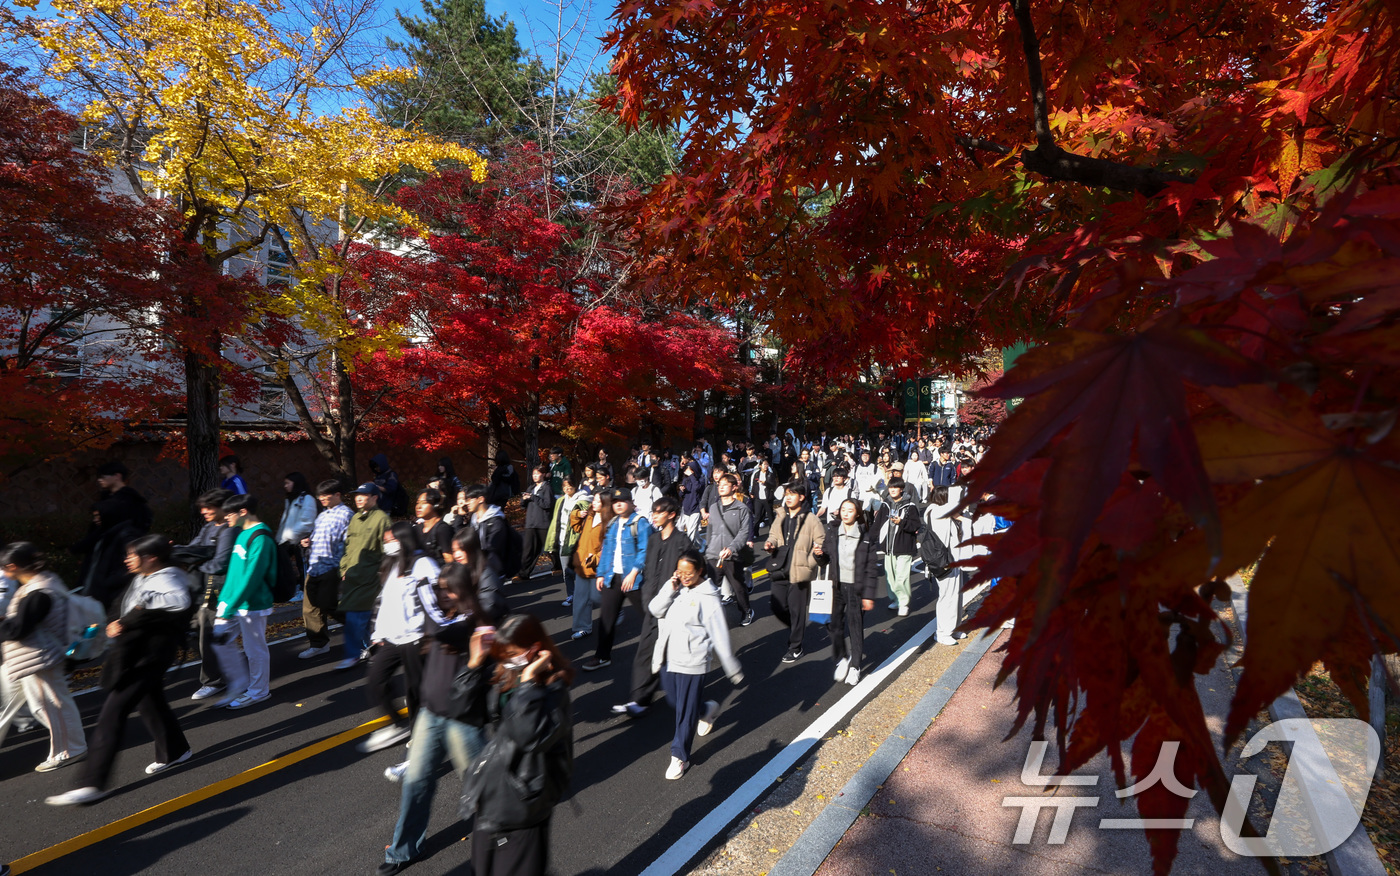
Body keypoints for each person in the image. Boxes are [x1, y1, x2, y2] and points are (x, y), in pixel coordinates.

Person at [46, 535, 195, 806]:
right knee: (151, 702)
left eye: (132, 555)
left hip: (147, 656)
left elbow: (179, 600)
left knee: (112, 714)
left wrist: (133, 615)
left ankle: (93, 783)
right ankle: (175, 750)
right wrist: (116, 621)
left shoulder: (166, 577)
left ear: (150, 558)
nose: (127, 559)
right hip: (136, 653)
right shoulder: (144, 576)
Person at [378, 564, 488, 875]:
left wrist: (420, 586)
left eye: (447, 589)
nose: (441, 594)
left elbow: (439, 628)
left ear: (463, 592)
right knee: (415, 782)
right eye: (439, 588)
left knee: (480, 787)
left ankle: (505, 836)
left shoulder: (474, 623)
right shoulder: (445, 617)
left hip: (463, 719)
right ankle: (403, 851)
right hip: (430, 714)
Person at [456, 614, 574, 876]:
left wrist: (530, 681)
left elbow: (528, 736)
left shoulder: (555, 688)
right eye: (502, 654)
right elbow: (461, 710)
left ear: (535, 648)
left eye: (512, 653)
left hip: (526, 798)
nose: (507, 660)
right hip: (494, 793)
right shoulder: (505, 674)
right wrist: (474, 664)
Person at [648, 549, 743, 780]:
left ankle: (679, 756)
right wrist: (669, 588)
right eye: (680, 572)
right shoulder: (676, 588)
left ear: (700, 571)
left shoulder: (709, 598)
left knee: (684, 712)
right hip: (670, 657)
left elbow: (719, 635)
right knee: (674, 700)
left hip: (694, 661)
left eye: (688, 572)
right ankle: (706, 709)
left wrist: (732, 668)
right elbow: (655, 610)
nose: (683, 576)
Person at [0, 542, 87, 771]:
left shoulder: (37, 591)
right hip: (38, 655)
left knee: (49, 706)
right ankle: (71, 747)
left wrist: (4, 624)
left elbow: (19, 629)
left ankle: (69, 750)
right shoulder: (44, 581)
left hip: (39, 657)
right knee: (48, 704)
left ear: (12, 565)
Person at [361, 523, 440, 754]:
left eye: (390, 539)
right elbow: (383, 604)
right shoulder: (392, 565)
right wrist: (378, 634)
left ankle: (420, 740)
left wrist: (429, 634)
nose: (386, 544)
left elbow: (435, 601)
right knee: (376, 680)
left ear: (403, 539)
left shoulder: (423, 564)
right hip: (391, 639)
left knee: (415, 691)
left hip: (416, 638)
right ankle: (397, 724)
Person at [611, 496, 692, 718]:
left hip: (674, 609)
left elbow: (693, 571)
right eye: (653, 512)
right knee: (645, 652)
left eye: (658, 512)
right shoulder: (654, 540)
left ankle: (695, 702)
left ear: (671, 515)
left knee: (673, 658)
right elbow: (648, 570)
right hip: (653, 606)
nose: (654, 515)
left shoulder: (682, 541)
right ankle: (640, 700)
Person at [214, 494, 276, 709]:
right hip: (235, 602)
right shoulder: (242, 534)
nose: (225, 518)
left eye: (229, 514)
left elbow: (252, 576)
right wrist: (225, 601)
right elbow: (235, 573)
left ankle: (259, 691)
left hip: (254, 603)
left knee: (254, 649)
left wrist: (230, 604)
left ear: (243, 512)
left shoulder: (261, 537)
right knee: (218, 637)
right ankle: (240, 683)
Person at [581, 488, 652, 671]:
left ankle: (663, 652)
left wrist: (634, 572)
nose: (618, 504)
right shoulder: (613, 523)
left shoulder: (640, 523)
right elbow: (607, 551)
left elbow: (645, 550)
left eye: (622, 501)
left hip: (634, 580)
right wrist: (601, 574)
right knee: (606, 619)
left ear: (631, 503)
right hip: (613, 578)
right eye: (615, 502)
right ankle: (602, 656)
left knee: (649, 617)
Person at [813, 499, 880, 685]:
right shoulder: (833, 531)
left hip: (855, 588)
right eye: (843, 509)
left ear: (857, 514)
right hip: (836, 586)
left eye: (850, 510)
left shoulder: (865, 535)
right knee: (832, 624)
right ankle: (842, 657)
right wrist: (818, 554)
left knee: (855, 627)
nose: (846, 513)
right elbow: (825, 558)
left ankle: (855, 666)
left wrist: (868, 594)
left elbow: (871, 568)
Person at [180, 488, 237, 698]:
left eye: (209, 507)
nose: (204, 511)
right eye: (202, 507)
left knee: (208, 635)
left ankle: (215, 681)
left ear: (223, 507)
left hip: (217, 592)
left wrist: (199, 560)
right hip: (200, 591)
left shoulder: (230, 530)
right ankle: (223, 673)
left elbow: (220, 564)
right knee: (196, 632)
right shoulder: (208, 528)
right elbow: (191, 550)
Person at [765, 481, 825, 663]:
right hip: (780, 567)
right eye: (787, 494)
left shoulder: (811, 519)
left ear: (801, 497)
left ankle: (795, 647)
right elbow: (773, 535)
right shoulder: (781, 515)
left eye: (792, 494)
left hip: (800, 571)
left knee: (797, 610)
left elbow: (821, 542)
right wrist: (771, 544)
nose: (788, 497)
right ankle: (796, 628)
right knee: (777, 605)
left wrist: (810, 562)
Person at [298, 479, 352, 660]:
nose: (320, 498)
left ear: (337, 495)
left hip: (332, 567)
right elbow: (316, 538)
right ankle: (319, 644)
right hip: (314, 566)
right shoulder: (322, 515)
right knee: (309, 608)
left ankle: (361, 627)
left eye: (325, 495)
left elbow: (350, 543)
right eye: (319, 495)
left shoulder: (346, 515)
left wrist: (344, 567)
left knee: (329, 605)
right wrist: (307, 542)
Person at [339, 483, 391, 671]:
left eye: (364, 495)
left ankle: (353, 654)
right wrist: (344, 568)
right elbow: (347, 547)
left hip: (370, 576)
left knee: (357, 616)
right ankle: (372, 649)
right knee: (363, 616)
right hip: (352, 575)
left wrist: (382, 574)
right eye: (357, 495)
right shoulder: (354, 518)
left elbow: (387, 550)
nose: (359, 498)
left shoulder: (382, 519)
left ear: (375, 498)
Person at [704, 473, 755, 626]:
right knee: (710, 589)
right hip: (714, 555)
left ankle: (747, 611)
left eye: (725, 485)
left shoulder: (742, 509)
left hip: (733, 556)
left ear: (734, 487)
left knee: (738, 588)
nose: (721, 487)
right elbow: (710, 530)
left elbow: (743, 533)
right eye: (719, 485)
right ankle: (709, 618)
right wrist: (708, 549)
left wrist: (732, 549)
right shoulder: (713, 507)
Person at [924, 485, 971, 646]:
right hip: (943, 562)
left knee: (956, 595)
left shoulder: (944, 512)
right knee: (947, 597)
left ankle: (955, 628)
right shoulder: (935, 511)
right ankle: (943, 632)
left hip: (952, 560)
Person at [568, 491, 611, 641]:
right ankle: (582, 627)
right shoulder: (589, 516)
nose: (594, 503)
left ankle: (615, 608)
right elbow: (576, 528)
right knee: (580, 598)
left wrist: (597, 558)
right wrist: (577, 515)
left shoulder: (609, 521)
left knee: (597, 597)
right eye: (594, 500)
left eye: (598, 501)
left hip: (597, 566)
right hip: (582, 563)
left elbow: (609, 546)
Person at [880, 476, 921, 616]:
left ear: (901, 489)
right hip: (888, 547)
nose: (892, 490)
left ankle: (903, 603)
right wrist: (870, 541)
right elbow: (877, 525)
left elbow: (916, 525)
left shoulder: (910, 506)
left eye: (895, 487)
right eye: (890, 487)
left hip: (904, 547)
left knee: (901, 577)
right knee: (890, 577)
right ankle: (896, 599)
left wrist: (902, 522)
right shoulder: (885, 505)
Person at [544, 475, 587, 607]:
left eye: (570, 486)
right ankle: (571, 595)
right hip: (563, 539)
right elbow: (555, 522)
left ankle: (583, 594)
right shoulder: (560, 501)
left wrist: (580, 514)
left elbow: (587, 514)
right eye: (565, 487)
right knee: (566, 571)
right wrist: (552, 541)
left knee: (579, 570)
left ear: (575, 487)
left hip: (577, 540)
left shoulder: (583, 499)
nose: (568, 489)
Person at [451, 527, 507, 625]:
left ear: (472, 549)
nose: (457, 555)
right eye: (454, 551)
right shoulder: (462, 572)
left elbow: (489, 605)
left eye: (461, 549)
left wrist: (464, 618)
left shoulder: (487, 574)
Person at [277, 472, 318, 593]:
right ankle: (293, 588)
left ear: (296, 483)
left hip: (300, 538)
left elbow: (308, 521)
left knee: (302, 566)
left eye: (287, 483)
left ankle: (305, 590)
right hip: (287, 539)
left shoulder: (307, 498)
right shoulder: (290, 499)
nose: (285, 486)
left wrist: (291, 535)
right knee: (283, 565)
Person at [517, 465, 554, 582]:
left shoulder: (547, 488)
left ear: (543, 474)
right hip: (531, 523)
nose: (535, 476)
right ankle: (524, 573)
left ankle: (559, 566)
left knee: (549, 548)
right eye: (533, 474)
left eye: (537, 474)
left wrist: (533, 497)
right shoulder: (531, 487)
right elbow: (522, 505)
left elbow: (547, 504)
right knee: (529, 549)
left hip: (542, 522)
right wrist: (524, 498)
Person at [461, 485, 509, 575]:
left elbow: (493, 548)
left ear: (481, 499)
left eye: (470, 499)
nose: (467, 503)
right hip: (479, 568)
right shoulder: (473, 519)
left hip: (492, 571)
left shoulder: (495, 521)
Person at [412, 488, 456, 564]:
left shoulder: (442, 529)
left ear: (436, 505)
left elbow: (450, 560)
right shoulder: (417, 528)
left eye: (424, 503)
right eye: (417, 503)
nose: (419, 506)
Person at [746, 457, 778, 540]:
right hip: (758, 498)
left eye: (767, 464)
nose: (766, 466)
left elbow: (773, 484)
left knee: (770, 516)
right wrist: (752, 493)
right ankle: (755, 533)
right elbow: (754, 484)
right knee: (757, 516)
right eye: (764, 464)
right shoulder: (757, 474)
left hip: (767, 498)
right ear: (760, 466)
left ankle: (772, 533)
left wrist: (765, 483)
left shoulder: (770, 474)